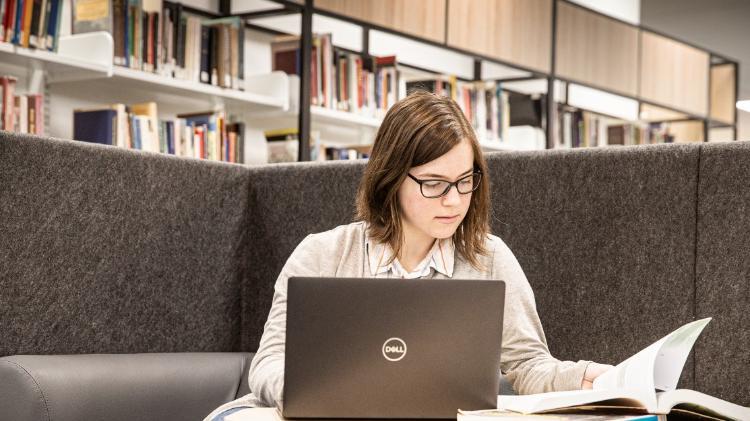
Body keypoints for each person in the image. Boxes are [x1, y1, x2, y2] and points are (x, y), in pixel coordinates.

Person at [203, 91, 612, 421]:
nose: (454, 200)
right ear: (391, 178)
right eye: (434, 183)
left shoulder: (489, 258)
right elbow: (269, 362)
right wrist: (323, 398)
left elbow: (527, 364)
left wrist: (586, 376)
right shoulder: (321, 254)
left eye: (465, 180)